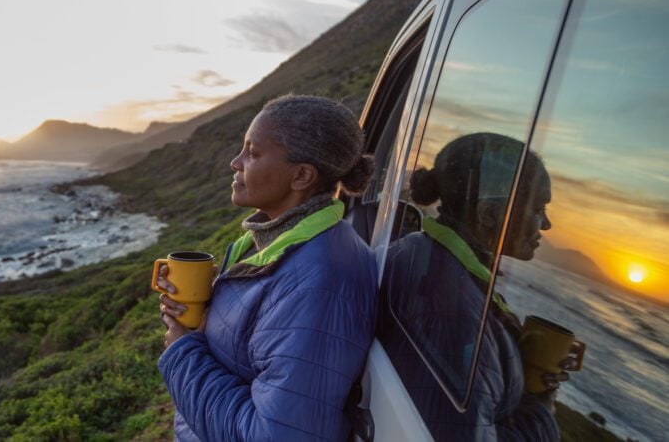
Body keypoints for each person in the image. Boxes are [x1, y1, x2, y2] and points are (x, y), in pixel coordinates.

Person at [155, 95, 379, 441]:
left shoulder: (319, 281)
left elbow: (274, 435)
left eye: (252, 153)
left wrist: (183, 352)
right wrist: (208, 312)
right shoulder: (268, 243)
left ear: (301, 175)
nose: (235, 162)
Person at [378, 132, 575, 441]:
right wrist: (541, 412)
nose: (547, 224)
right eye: (538, 209)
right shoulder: (453, 309)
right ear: (488, 214)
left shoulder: (426, 253)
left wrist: (510, 364)